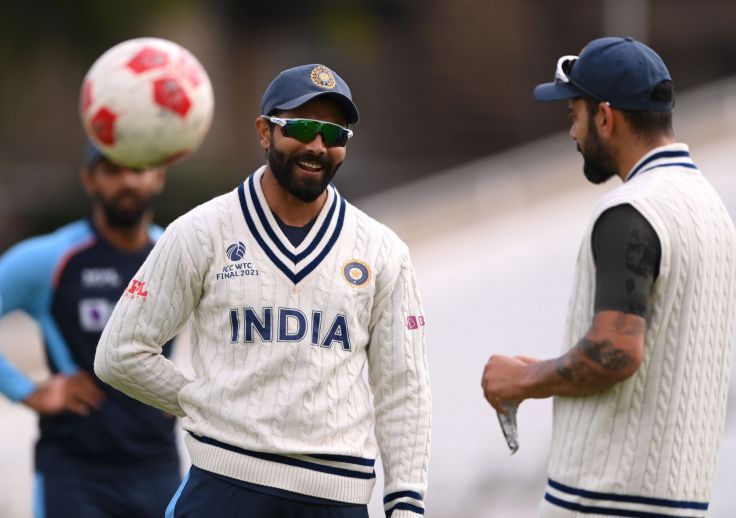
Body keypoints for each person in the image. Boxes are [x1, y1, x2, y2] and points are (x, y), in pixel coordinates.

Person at [95, 64, 432, 518]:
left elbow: (403, 387)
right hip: (224, 488)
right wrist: (207, 404)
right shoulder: (201, 231)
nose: (317, 146)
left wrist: (406, 501)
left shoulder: (382, 250)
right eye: (302, 127)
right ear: (264, 132)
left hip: (337, 499)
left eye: (333, 135)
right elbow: (120, 352)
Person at [481, 37, 736, 517]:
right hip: (679, 504)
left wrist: (523, 380)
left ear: (605, 116)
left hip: (604, 501)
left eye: (573, 115)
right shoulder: (712, 211)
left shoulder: (630, 209)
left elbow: (617, 351)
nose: (573, 133)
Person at [0, 145, 180, 517]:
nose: (127, 181)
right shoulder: (53, 258)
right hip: (75, 474)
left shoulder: (176, 254)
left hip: (158, 470)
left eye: (139, 168)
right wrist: (26, 391)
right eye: (113, 170)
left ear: (158, 176)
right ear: (90, 179)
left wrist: (191, 389)